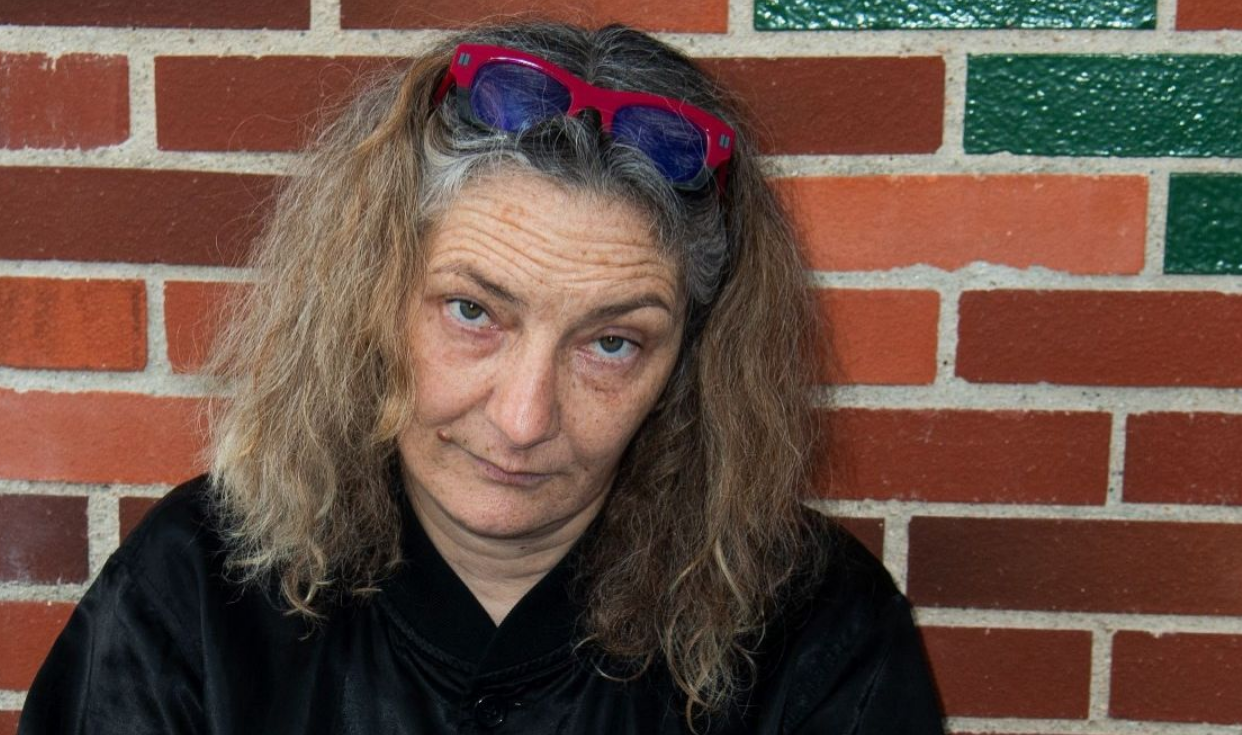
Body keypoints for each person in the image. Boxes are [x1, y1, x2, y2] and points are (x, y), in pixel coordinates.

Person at [19, 20, 944, 734]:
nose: (523, 416)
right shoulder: (191, 597)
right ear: (372, 295)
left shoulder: (820, 639)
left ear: (691, 363)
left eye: (611, 343)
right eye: (473, 311)